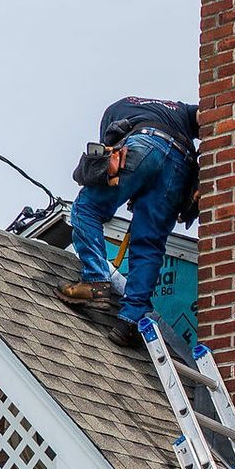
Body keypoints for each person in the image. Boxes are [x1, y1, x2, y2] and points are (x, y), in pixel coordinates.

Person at [59, 96, 199, 346]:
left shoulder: (114, 110)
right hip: (181, 167)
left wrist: (135, 185)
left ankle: (95, 281)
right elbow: (208, 117)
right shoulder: (181, 111)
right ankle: (130, 320)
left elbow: (110, 162)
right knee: (148, 244)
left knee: (86, 207)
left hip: (144, 143)